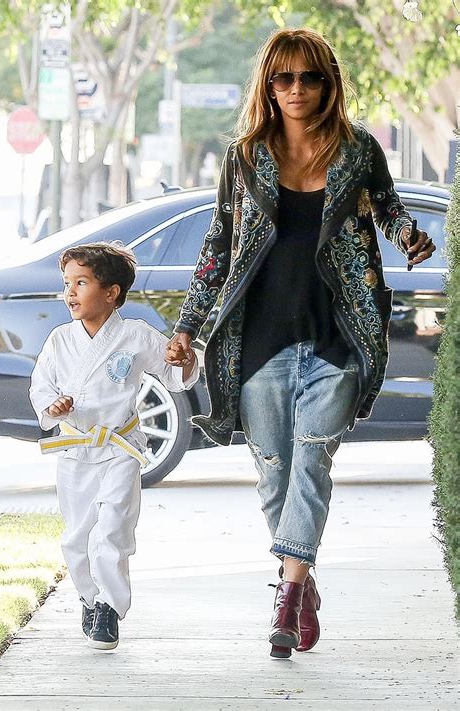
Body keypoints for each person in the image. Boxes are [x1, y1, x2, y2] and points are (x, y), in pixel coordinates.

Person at [166, 27, 436, 659]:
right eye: (282, 78)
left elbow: (389, 208)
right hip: (256, 340)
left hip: (337, 336)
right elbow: (217, 248)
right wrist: (187, 327)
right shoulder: (244, 156)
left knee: (313, 462)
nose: (295, 89)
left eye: (308, 77)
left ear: (327, 83)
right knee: (274, 477)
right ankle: (302, 581)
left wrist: (409, 236)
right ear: (267, 84)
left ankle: (284, 599)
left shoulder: (357, 150)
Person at [29, 241, 198, 650]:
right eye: (67, 283)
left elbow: (176, 374)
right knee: (77, 535)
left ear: (111, 292)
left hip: (121, 445)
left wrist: (184, 359)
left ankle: (109, 607)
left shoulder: (136, 336)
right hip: (74, 448)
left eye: (81, 282)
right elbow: (41, 386)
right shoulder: (59, 340)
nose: (70, 292)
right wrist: (54, 406)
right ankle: (88, 597)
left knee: (114, 526)